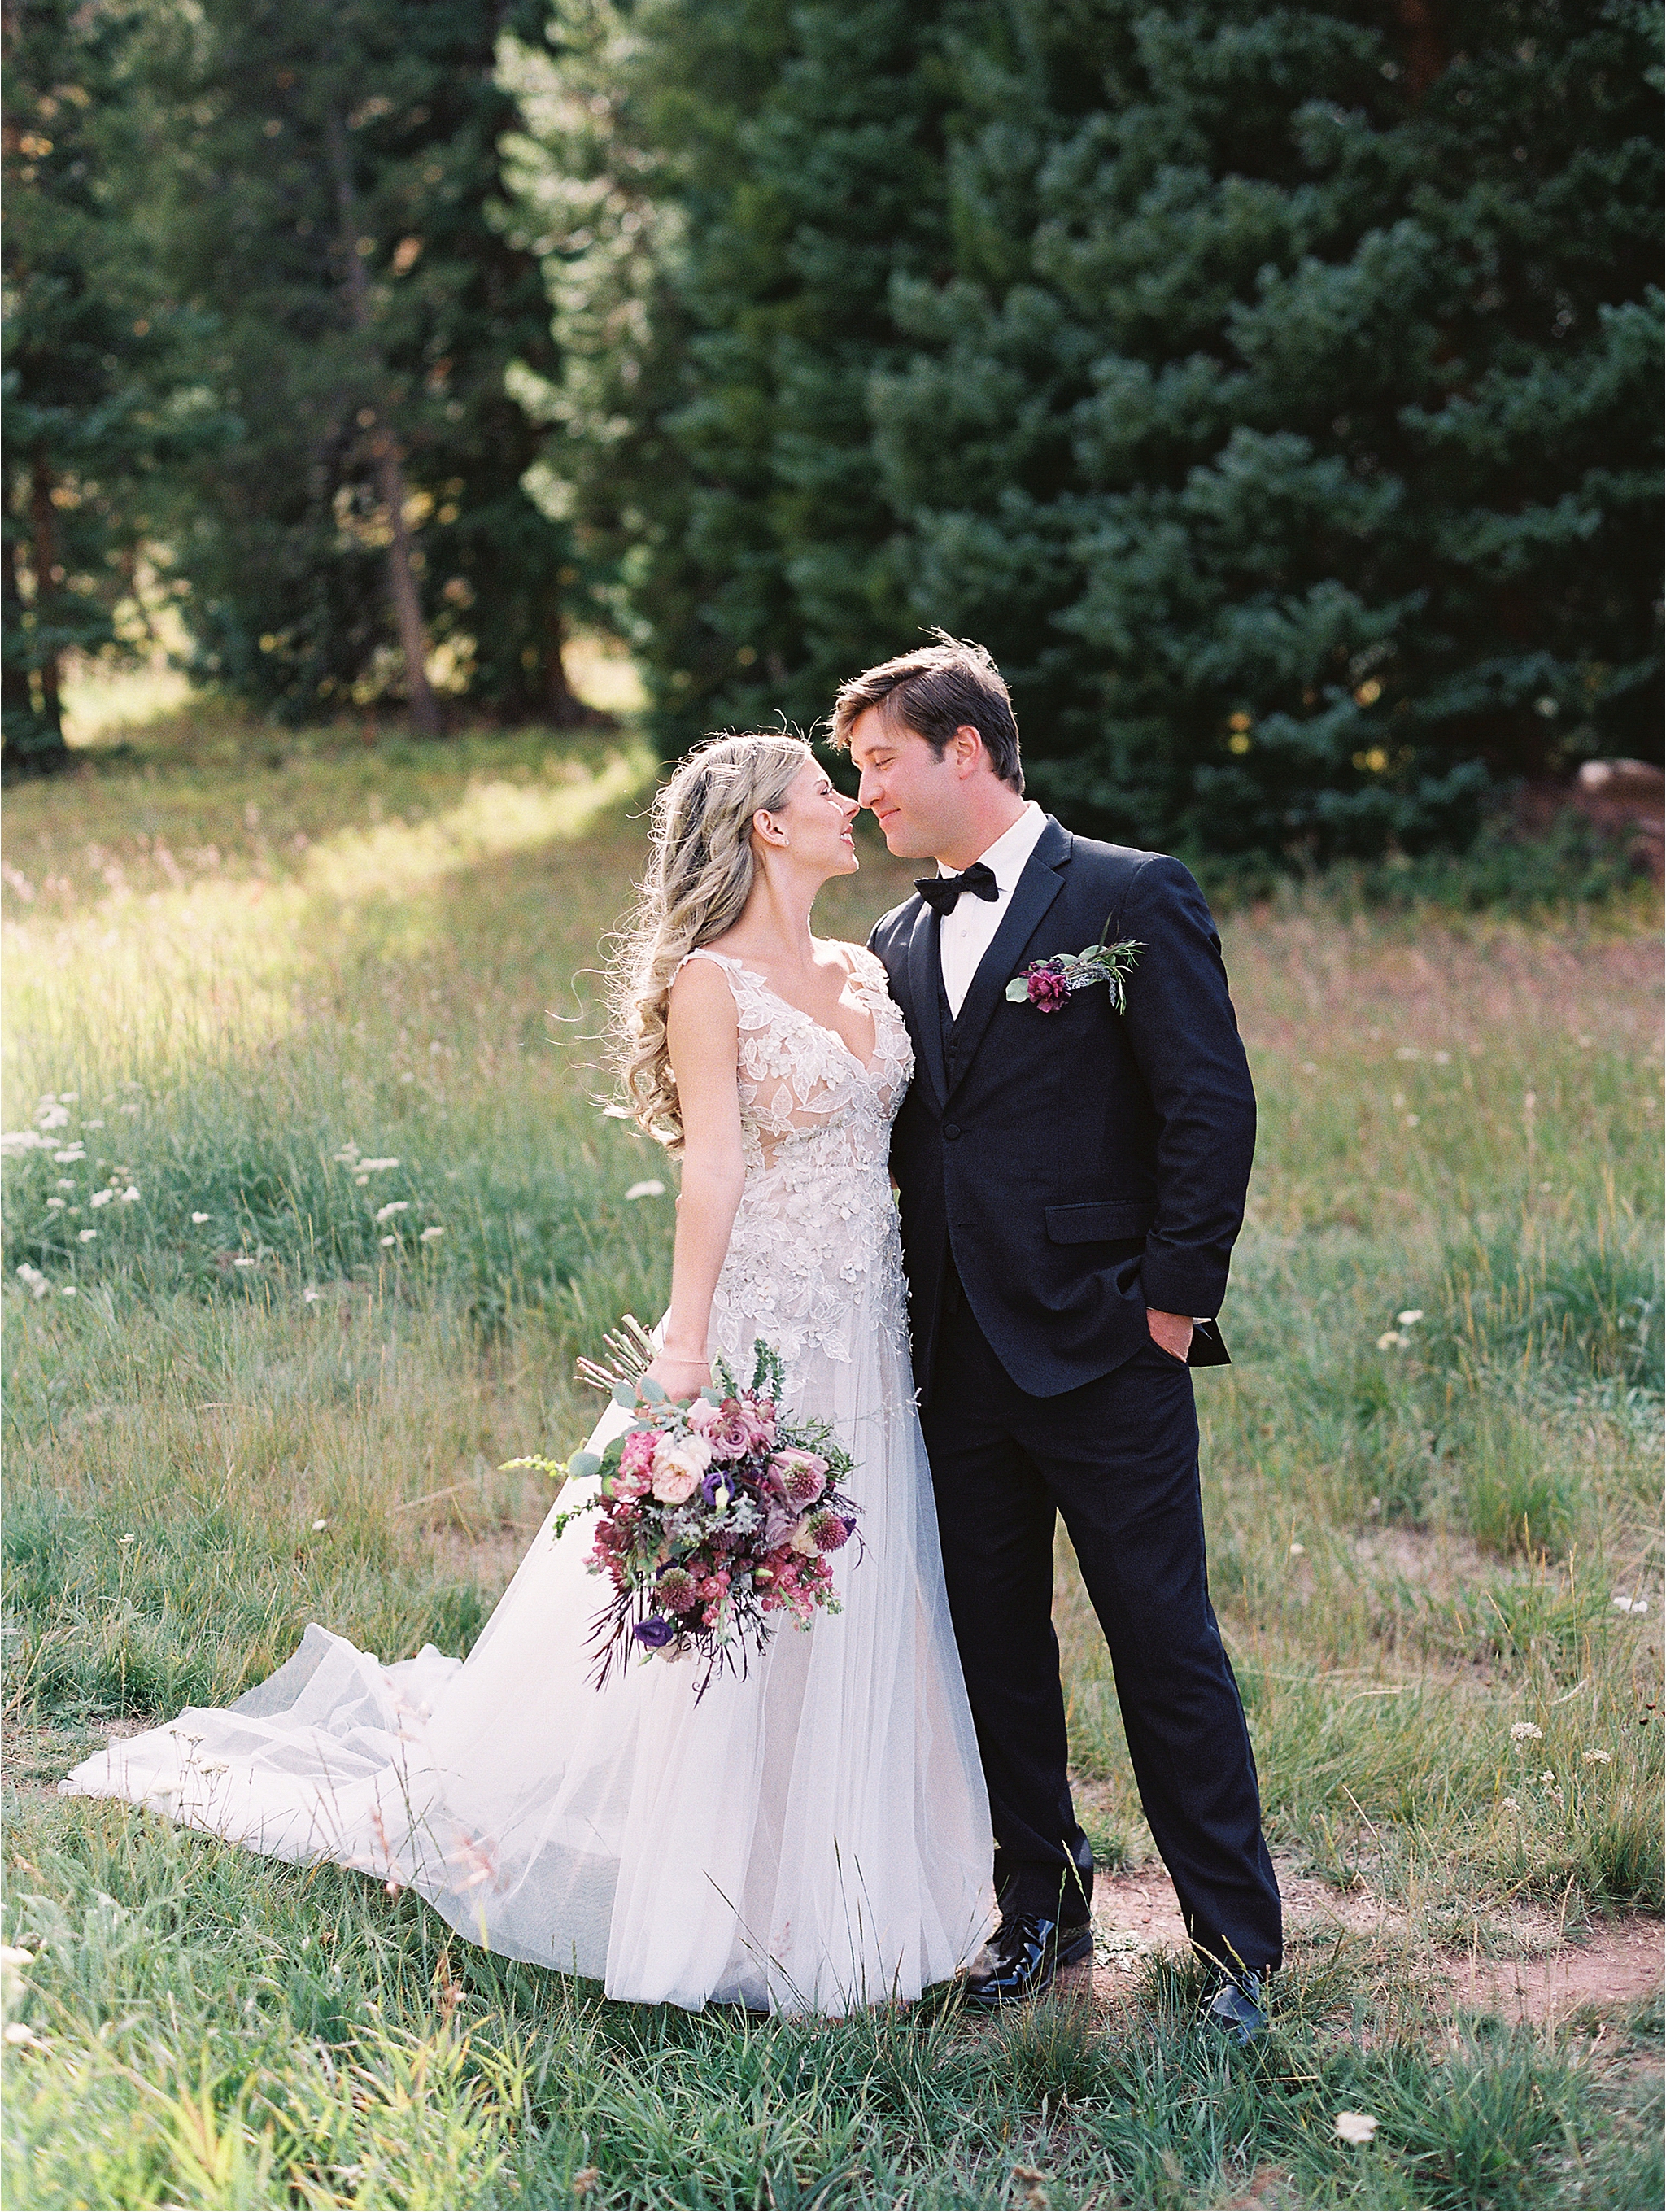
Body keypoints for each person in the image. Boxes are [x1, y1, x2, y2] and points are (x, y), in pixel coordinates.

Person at [61, 734, 994, 2018]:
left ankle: (840, 1874)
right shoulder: (712, 986)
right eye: (825, 794)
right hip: (765, 1319)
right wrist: (686, 1343)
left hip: (870, 1325)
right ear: (767, 828)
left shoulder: (861, 964)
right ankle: (715, 1887)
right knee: (737, 1597)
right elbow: (713, 1168)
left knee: (853, 1578)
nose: (852, 806)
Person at [832, 634, 1281, 2038]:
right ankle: (1041, 1906)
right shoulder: (897, 941)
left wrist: (1170, 1304)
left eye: (883, 764)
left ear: (966, 749)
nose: (868, 798)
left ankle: (1235, 1941)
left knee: (1162, 1636)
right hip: (954, 1357)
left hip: (1106, 1345)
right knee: (992, 1646)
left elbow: (1211, 1108)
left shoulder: (1131, 896)